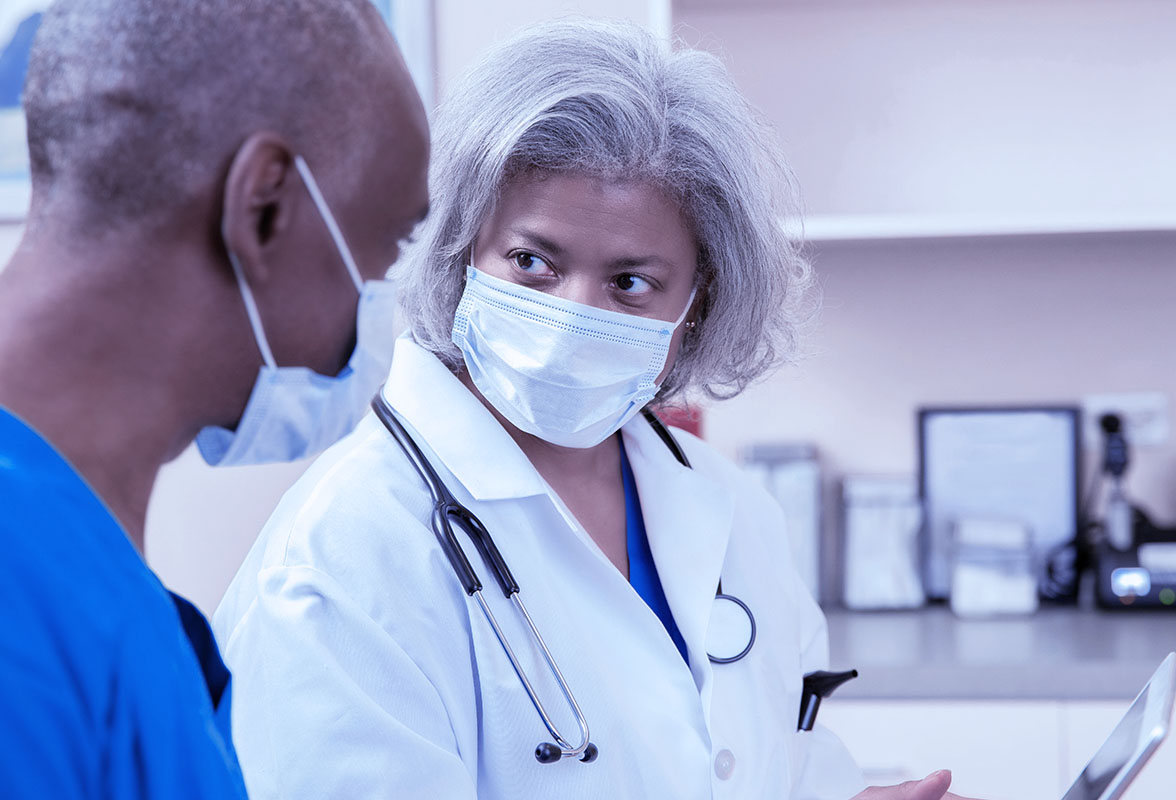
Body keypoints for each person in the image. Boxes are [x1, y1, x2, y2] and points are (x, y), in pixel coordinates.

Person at [214, 18, 976, 800]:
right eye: (532, 262)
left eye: (631, 283)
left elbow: (782, 765)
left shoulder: (734, 512)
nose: (573, 315)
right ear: (463, 251)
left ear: (696, 305)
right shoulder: (344, 555)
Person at [0, 0, 429, 796]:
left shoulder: (95, 585)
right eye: (391, 242)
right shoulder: (24, 608)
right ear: (263, 205)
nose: (383, 299)